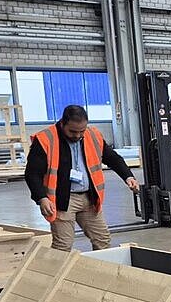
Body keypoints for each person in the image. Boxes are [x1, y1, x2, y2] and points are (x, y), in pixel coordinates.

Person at [25, 105, 138, 251]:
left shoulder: (93, 135)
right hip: (63, 200)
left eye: (82, 131)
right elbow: (32, 173)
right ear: (62, 123)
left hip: (89, 198)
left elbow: (113, 158)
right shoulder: (46, 139)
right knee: (63, 245)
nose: (78, 135)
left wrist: (128, 176)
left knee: (102, 240)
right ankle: (57, 267)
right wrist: (42, 198)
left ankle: (99, 267)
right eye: (73, 131)